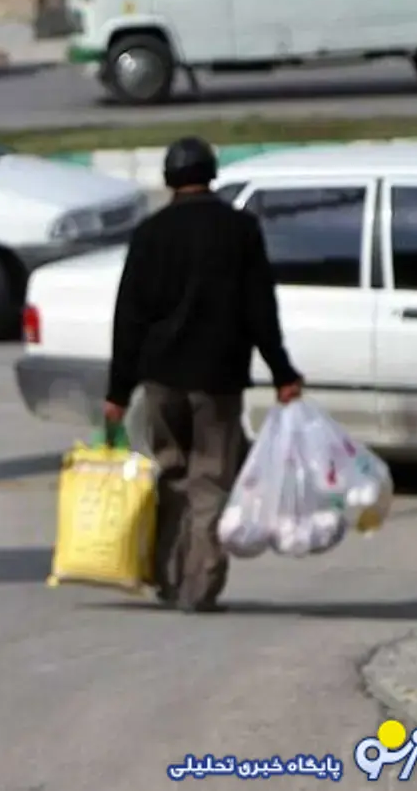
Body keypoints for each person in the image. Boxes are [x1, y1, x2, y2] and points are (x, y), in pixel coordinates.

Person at [103, 136, 302, 614]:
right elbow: (260, 309)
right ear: (211, 174)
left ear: (169, 179)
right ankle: (200, 587)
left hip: (161, 380)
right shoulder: (240, 230)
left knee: (172, 474)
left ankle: (169, 580)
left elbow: (129, 316)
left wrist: (117, 391)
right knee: (210, 480)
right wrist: (282, 372)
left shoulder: (150, 233)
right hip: (218, 380)